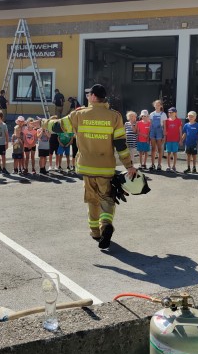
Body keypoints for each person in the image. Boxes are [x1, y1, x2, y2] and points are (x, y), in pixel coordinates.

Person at [41, 84, 137, 250]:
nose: (87, 97)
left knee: (92, 199)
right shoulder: (114, 116)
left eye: (88, 95)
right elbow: (121, 144)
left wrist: (42, 123)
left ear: (93, 97)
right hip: (105, 168)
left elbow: (58, 127)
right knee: (106, 198)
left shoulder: (79, 114)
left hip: (87, 167)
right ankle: (105, 224)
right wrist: (129, 165)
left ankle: (95, 232)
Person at [149, 99, 167, 171]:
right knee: (153, 148)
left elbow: (164, 126)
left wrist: (164, 136)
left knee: (159, 148)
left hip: (160, 131)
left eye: (158, 105)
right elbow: (150, 124)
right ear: (154, 105)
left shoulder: (163, 114)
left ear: (161, 106)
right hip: (153, 131)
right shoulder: (151, 114)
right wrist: (149, 133)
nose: (157, 106)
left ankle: (159, 165)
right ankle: (152, 164)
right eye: (156, 105)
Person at [164, 107, 182, 172]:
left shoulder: (178, 120)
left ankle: (174, 166)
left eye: (172, 112)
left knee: (174, 153)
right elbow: (165, 130)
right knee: (168, 153)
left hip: (175, 140)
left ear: (175, 113)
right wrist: (165, 138)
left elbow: (180, 131)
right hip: (168, 139)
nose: (170, 113)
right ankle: (168, 166)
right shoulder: (166, 120)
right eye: (169, 112)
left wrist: (180, 139)